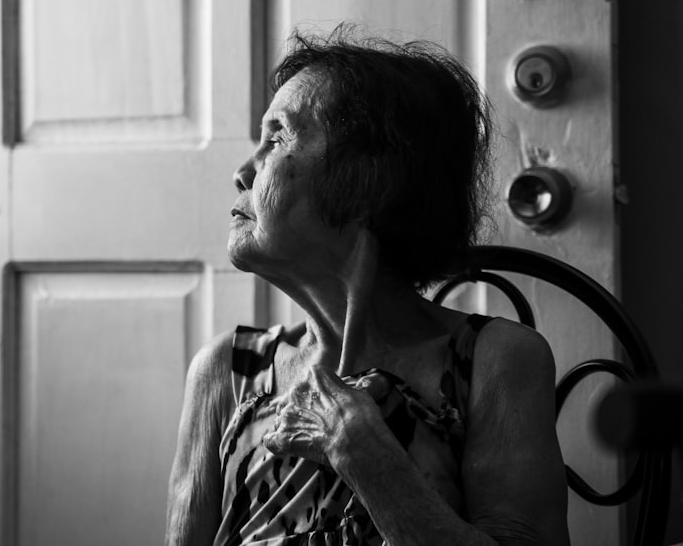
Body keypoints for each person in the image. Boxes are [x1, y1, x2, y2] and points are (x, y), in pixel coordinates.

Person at [165, 27, 570, 545]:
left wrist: (363, 452)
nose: (244, 171)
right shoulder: (225, 372)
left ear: (370, 183)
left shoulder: (497, 360)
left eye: (278, 138)